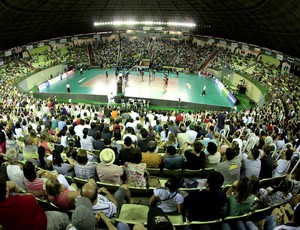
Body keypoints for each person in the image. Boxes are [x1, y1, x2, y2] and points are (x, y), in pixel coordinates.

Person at [0, 172, 69, 230]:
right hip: (41, 224)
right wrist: (14, 185)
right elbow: (32, 198)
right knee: (65, 217)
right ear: (6, 187)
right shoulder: (26, 200)